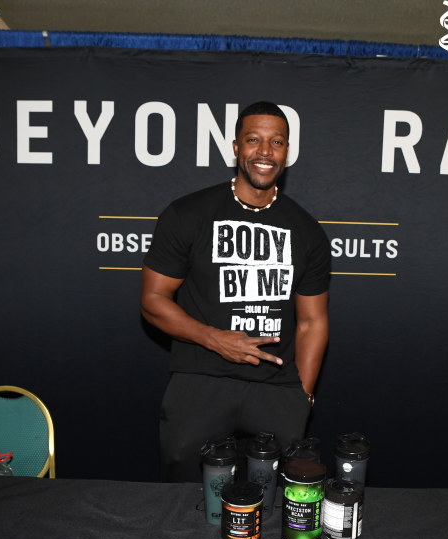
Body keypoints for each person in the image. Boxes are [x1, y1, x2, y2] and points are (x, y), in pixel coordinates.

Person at [141, 101, 331, 482]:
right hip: (201, 379)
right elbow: (153, 300)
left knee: (280, 501)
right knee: (183, 497)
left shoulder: (307, 231)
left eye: (277, 142)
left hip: (277, 388)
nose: (265, 152)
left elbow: (313, 322)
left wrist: (302, 396)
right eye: (254, 140)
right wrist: (214, 339)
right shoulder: (187, 214)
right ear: (235, 147)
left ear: (287, 152)